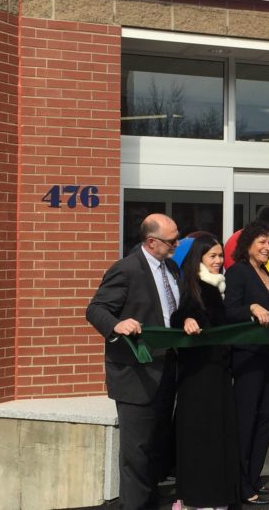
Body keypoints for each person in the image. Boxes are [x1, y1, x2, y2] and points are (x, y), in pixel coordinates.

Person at [86, 213, 181, 510]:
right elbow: (96, 309)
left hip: (166, 369)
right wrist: (117, 325)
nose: (177, 244)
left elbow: (175, 309)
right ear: (152, 242)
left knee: (155, 447)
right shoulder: (126, 270)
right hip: (135, 375)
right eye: (172, 240)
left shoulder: (172, 268)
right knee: (136, 451)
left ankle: (150, 500)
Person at [170, 234, 241, 509]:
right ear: (199, 258)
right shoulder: (195, 286)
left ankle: (217, 496)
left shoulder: (219, 286)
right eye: (212, 256)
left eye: (221, 256)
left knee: (218, 435)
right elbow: (181, 315)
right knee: (201, 436)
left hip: (219, 372)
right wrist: (186, 320)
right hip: (198, 376)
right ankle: (198, 497)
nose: (218, 261)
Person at [224, 221, 269, 506]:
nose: (267, 247)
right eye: (261, 241)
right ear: (247, 244)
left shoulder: (265, 272)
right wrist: (250, 307)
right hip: (247, 355)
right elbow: (229, 311)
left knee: (268, 415)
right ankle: (241, 483)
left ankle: (254, 475)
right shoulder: (238, 272)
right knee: (246, 421)